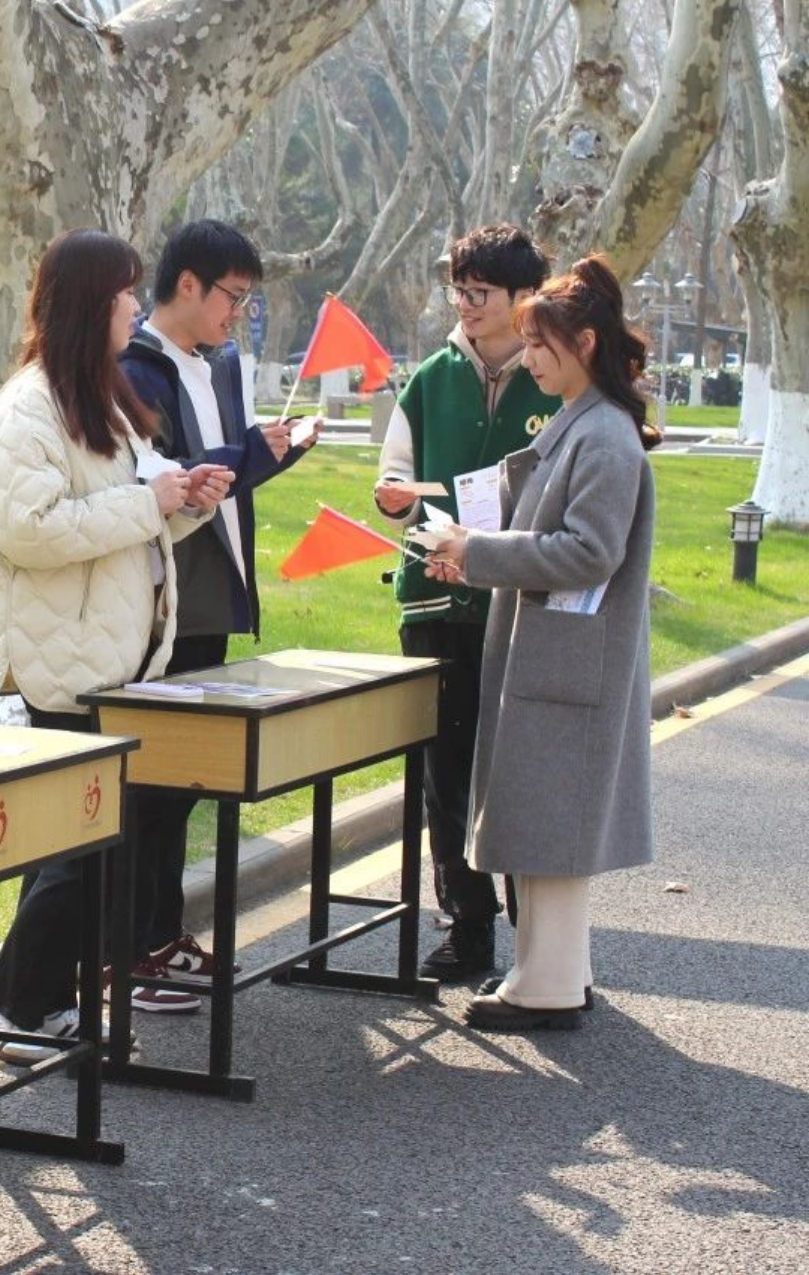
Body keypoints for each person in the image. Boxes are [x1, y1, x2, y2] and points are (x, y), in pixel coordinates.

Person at [0, 228, 229, 1061]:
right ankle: (19, 1007)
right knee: (74, 848)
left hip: (106, 657)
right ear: (89, 303)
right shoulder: (30, 404)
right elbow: (28, 528)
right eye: (122, 294)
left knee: (88, 846)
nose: (132, 307)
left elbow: (130, 510)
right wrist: (152, 502)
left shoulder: (96, 394)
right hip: (61, 661)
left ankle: (40, 999)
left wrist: (186, 498)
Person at [422, 255, 659, 1032]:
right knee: (544, 823)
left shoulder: (603, 435)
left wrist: (477, 552)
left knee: (551, 825)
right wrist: (470, 548)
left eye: (537, 343)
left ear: (582, 343)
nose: (527, 358)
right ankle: (549, 973)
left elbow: (588, 551)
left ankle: (547, 984)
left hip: (567, 659)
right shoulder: (589, 423)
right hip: (560, 655)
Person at [113, 219, 310, 1011]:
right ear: (187, 284)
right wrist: (254, 455)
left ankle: (160, 936)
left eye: (247, 300)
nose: (239, 314)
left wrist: (270, 451)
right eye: (232, 296)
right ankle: (132, 953)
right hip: (162, 608)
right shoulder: (137, 369)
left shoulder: (220, 364)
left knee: (182, 787)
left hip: (212, 600)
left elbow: (220, 482)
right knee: (151, 789)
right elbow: (164, 485)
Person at [374, 224, 559, 982]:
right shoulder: (430, 379)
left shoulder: (552, 378)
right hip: (434, 605)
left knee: (519, 773)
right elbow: (395, 474)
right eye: (459, 289)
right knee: (443, 773)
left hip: (519, 607)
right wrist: (392, 498)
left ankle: (543, 938)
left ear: (524, 297)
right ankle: (467, 924)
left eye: (480, 291)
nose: (465, 303)